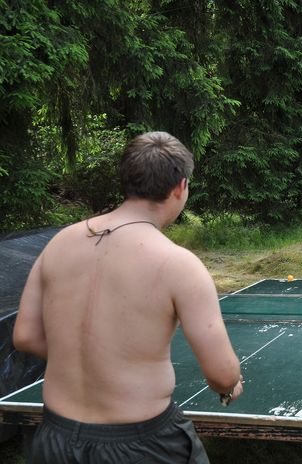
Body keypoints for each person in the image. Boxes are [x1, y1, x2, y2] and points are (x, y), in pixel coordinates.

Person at [13, 131, 243, 463]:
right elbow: (221, 373)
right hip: (143, 445)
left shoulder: (59, 243)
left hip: (55, 438)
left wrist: (92, 361)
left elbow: (25, 336)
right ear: (180, 187)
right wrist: (230, 385)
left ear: (127, 180)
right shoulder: (179, 264)